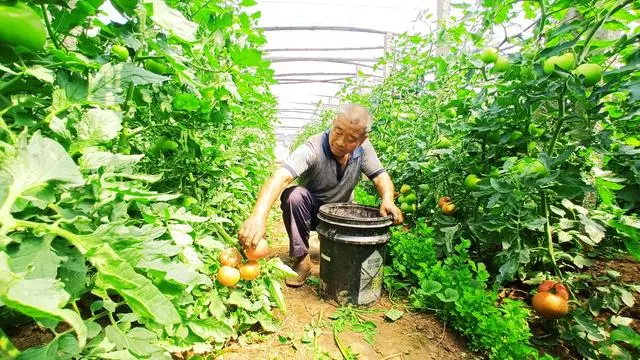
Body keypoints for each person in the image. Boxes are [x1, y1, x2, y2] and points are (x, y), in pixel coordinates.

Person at [238, 103, 403, 286]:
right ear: (333, 123)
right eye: (338, 131)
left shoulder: (364, 150)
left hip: (341, 217)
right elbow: (281, 177)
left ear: (362, 139)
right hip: (311, 213)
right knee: (294, 196)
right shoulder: (312, 147)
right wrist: (258, 216)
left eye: (351, 138)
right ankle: (302, 260)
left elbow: (380, 177)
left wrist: (388, 199)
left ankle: (338, 253)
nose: (340, 142)